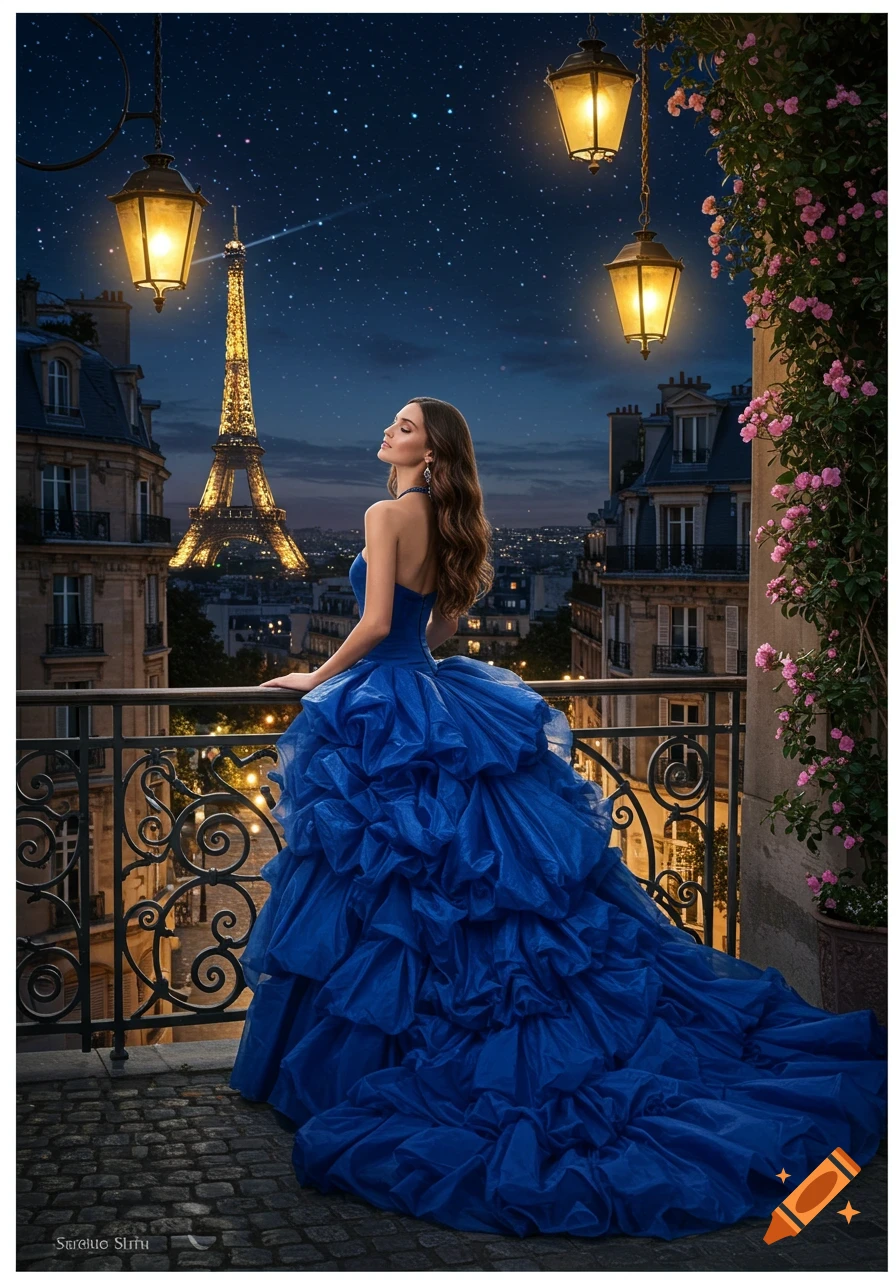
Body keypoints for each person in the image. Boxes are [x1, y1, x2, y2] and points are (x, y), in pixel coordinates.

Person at [229, 396, 886, 1239]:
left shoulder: (385, 511)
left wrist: (311, 680)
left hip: (386, 701)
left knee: (388, 890)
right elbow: (445, 624)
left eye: (404, 424)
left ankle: (352, 1062)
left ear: (431, 450)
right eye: (392, 419)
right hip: (433, 692)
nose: (389, 429)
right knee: (468, 892)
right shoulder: (445, 518)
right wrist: (407, 670)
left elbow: (378, 622)